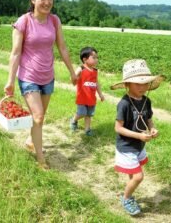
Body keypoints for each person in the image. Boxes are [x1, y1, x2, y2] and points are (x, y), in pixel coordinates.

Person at [4, 0, 77, 170]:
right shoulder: (24, 21)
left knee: (41, 117)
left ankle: (31, 140)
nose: (47, 2)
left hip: (48, 77)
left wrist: (71, 71)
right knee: (37, 117)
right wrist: (10, 80)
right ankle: (40, 158)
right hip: (28, 76)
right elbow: (15, 52)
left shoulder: (54, 21)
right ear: (33, 0)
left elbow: (62, 47)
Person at [110, 59, 164, 215]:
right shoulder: (124, 104)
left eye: (145, 83)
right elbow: (118, 128)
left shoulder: (147, 101)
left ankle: (129, 190)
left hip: (139, 146)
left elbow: (148, 119)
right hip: (126, 146)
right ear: (127, 84)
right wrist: (138, 136)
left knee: (133, 174)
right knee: (139, 177)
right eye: (137, 83)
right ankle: (126, 198)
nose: (142, 87)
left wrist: (153, 129)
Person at [70, 47, 105, 136]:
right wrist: (75, 78)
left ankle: (87, 130)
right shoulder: (81, 69)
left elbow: (96, 83)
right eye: (94, 57)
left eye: (97, 57)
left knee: (89, 115)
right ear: (85, 59)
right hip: (82, 97)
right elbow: (73, 77)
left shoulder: (95, 71)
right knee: (81, 113)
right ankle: (74, 120)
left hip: (91, 98)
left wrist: (100, 94)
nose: (96, 60)